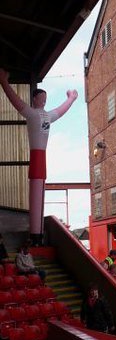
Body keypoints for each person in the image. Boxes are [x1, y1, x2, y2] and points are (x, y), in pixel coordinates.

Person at [0, 70, 77, 245]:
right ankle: (35, 236)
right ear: (35, 99)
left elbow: (61, 110)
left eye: (45, 98)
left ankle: (37, 235)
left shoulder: (46, 115)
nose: (44, 100)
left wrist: (71, 99)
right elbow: (15, 101)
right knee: (36, 192)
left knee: (39, 192)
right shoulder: (31, 113)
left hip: (40, 159)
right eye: (42, 98)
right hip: (37, 157)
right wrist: (4, 82)